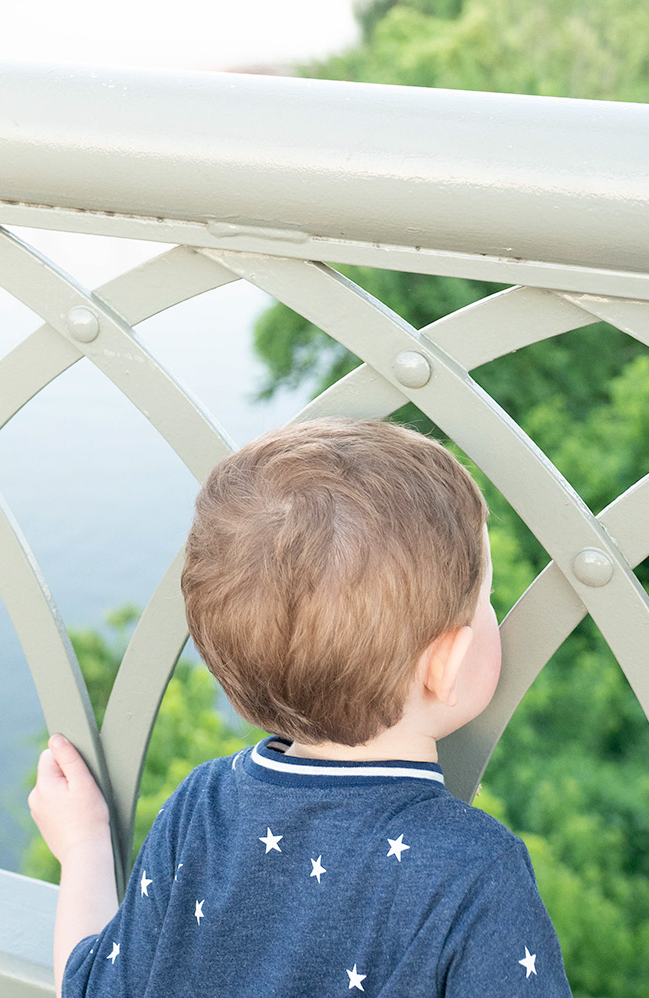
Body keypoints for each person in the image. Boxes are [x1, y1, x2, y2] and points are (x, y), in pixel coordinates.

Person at [29, 416, 571, 996]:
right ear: (447, 665)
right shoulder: (476, 874)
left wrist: (84, 845)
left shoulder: (202, 807)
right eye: (485, 599)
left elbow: (91, 989)